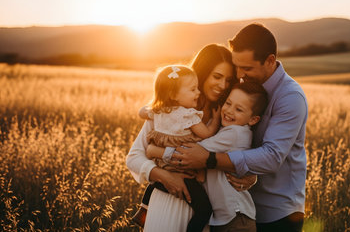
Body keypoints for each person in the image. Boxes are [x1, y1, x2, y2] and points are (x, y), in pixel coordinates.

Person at [170, 23, 308, 232]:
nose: (240, 74)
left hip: (277, 212)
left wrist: (210, 159)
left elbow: (272, 156)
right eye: (238, 66)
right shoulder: (239, 89)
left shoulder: (290, 97)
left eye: (247, 68)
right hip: (233, 207)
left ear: (270, 61)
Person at [126, 44, 236, 232]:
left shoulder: (229, 115)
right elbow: (134, 158)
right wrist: (165, 177)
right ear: (202, 73)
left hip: (209, 214)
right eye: (217, 77)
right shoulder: (167, 112)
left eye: (228, 80)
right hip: (167, 204)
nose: (223, 86)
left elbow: (240, 160)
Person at [147, 81, 268, 232]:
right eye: (228, 103)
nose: (229, 111)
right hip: (225, 217)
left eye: (238, 109)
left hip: (236, 219)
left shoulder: (234, 134)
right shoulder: (231, 131)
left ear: (253, 120)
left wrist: (155, 151)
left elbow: (190, 153)